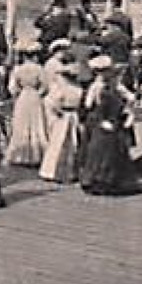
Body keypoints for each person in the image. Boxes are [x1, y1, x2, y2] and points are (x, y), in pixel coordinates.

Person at [79, 56, 142, 196]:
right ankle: (99, 180)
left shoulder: (109, 86)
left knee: (107, 152)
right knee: (99, 151)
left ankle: (107, 181)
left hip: (110, 120)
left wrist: (127, 112)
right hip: (103, 121)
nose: (102, 74)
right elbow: (89, 105)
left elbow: (131, 98)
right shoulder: (100, 86)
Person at [39, 51, 84, 184]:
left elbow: (51, 102)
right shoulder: (76, 88)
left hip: (64, 116)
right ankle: (65, 171)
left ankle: (55, 170)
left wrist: (57, 111)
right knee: (67, 144)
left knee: (60, 144)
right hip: (69, 115)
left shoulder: (61, 87)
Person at [6, 45, 51, 167]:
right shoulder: (39, 69)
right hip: (35, 97)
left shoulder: (18, 69)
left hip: (23, 97)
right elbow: (45, 86)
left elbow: (12, 88)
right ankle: (37, 154)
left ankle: (20, 154)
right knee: (37, 124)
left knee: (21, 124)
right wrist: (39, 93)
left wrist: (19, 92)